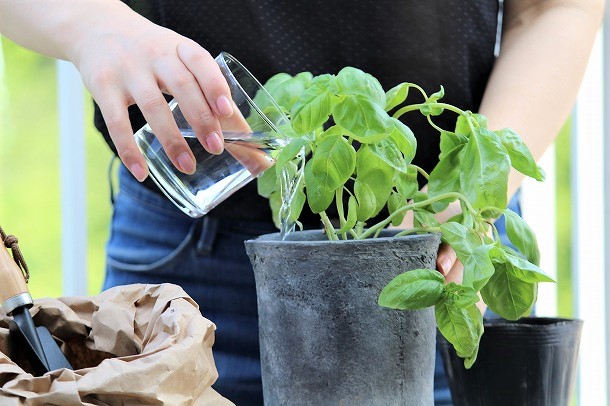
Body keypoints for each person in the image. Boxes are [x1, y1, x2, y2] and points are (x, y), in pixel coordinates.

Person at [0, 0, 604, 404]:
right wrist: (89, 23)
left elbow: (555, 6)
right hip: (192, 267)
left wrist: (471, 197)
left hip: (436, 252)